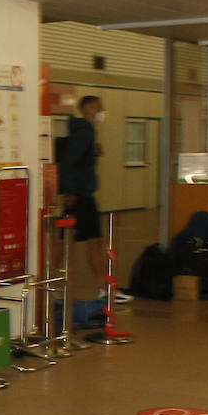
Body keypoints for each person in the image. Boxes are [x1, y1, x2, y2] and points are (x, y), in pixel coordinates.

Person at [59, 95, 132, 304]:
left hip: (81, 194)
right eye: (100, 108)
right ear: (89, 109)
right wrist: (69, 192)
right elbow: (68, 163)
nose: (102, 112)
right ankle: (103, 288)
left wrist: (93, 151)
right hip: (80, 196)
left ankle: (102, 288)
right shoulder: (83, 133)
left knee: (69, 239)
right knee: (91, 242)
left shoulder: (86, 134)